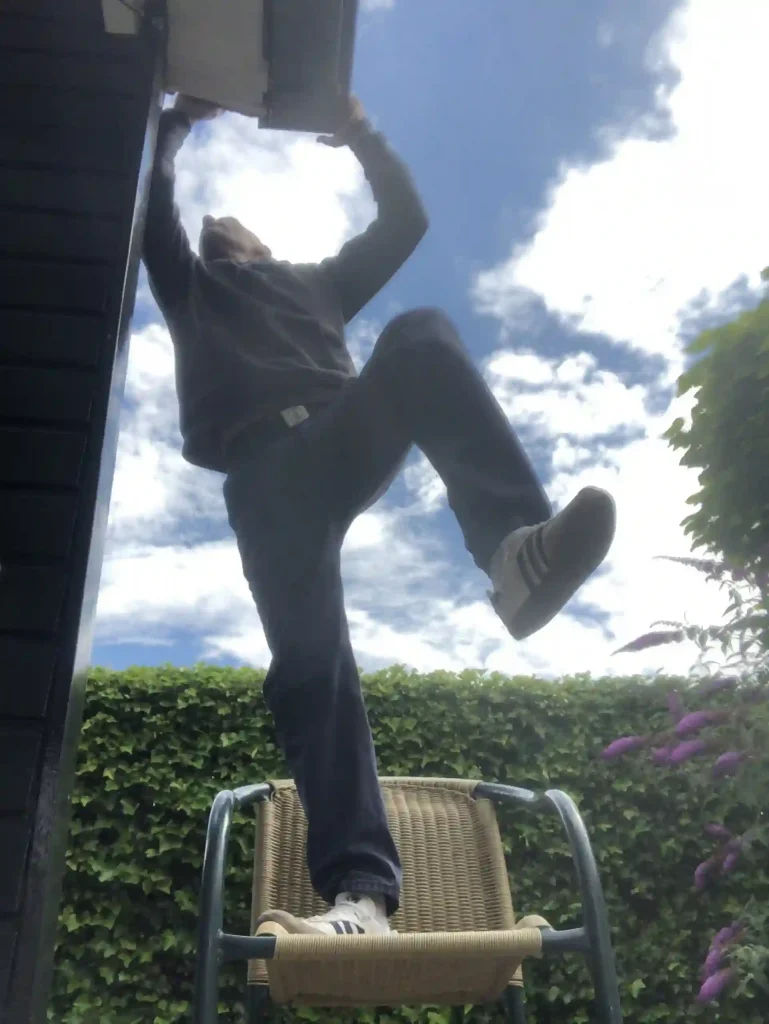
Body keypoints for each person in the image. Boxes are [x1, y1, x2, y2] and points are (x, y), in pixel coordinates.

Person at [143, 92, 616, 939]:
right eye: (211, 227)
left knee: (422, 335)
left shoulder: (317, 283)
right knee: (311, 669)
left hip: (337, 436)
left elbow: (405, 221)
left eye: (235, 224)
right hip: (262, 479)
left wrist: (361, 136)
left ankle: (512, 554)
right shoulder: (190, 290)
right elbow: (154, 211)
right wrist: (174, 123)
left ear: (263, 246)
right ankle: (362, 897)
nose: (220, 225)